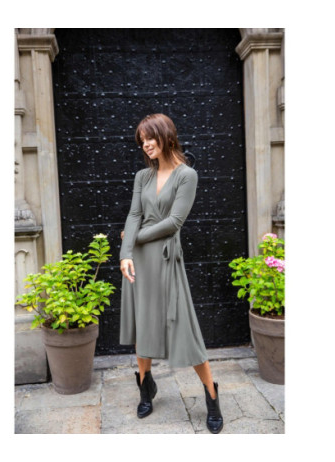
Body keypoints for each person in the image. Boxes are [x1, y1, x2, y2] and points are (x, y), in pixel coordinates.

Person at [119, 113, 223, 434]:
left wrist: (134, 238)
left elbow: (174, 222)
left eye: (149, 137)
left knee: (184, 329)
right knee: (142, 325)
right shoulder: (142, 176)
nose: (145, 144)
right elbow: (134, 214)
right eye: (141, 140)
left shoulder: (186, 175)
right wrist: (125, 253)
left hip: (165, 258)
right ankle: (145, 385)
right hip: (138, 260)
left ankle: (211, 394)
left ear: (166, 136)